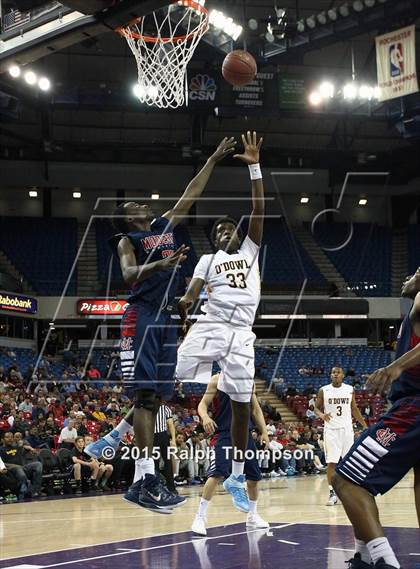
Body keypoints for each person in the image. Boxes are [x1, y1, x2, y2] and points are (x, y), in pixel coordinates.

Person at [84, 137, 237, 512]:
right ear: (128, 214)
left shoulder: (165, 226)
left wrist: (214, 159)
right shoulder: (127, 239)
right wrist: (160, 266)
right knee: (145, 397)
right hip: (141, 317)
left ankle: (135, 468)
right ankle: (146, 477)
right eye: (135, 203)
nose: (143, 202)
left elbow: (192, 190)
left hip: (166, 317)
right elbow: (128, 274)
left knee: (159, 397)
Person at [176, 131, 265, 513]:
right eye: (215, 232)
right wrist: (184, 303)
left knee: (243, 405)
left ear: (239, 234)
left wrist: (255, 168)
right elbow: (192, 293)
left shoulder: (249, 251)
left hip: (242, 333)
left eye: (226, 228)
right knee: (172, 372)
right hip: (212, 325)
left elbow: (259, 210)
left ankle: (237, 474)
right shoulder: (206, 261)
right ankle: (123, 432)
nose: (220, 233)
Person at [333, 269, 420, 569]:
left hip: (413, 408)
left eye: (419, 272)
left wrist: (395, 367)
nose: (412, 274)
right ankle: (365, 555)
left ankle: (384, 561)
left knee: (346, 479)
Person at [192, 374, 269, 535]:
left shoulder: (248, 380)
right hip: (224, 433)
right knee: (216, 474)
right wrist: (205, 417)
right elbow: (202, 405)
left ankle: (252, 515)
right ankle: (199, 517)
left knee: (254, 478)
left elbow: (255, 409)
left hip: (245, 435)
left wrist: (264, 432)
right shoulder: (216, 380)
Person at [315, 367, 367, 506]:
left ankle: (350, 492)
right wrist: (322, 415)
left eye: (338, 373)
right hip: (331, 430)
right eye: (333, 373)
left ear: (343, 375)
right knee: (332, 462)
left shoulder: (349, 389)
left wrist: (364, 425)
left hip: (347, 430)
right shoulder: (323, 390)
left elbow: (354, 408)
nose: (335, 375)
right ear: (331, 375)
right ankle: (332, 493)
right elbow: (315, 408)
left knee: (349, 462)